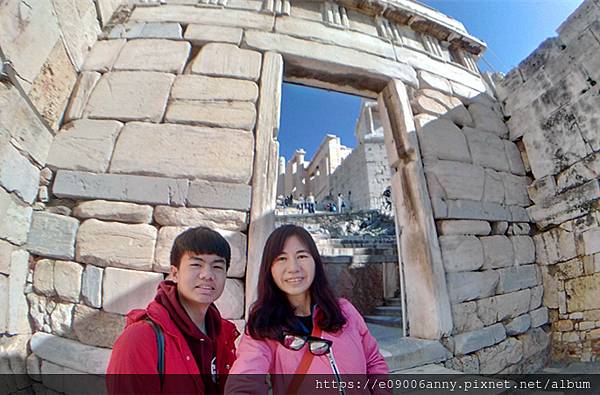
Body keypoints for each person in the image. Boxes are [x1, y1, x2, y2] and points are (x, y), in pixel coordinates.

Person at [226, 225, 388, 394]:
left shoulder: (344, 311)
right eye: (281, 259)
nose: (293, 268)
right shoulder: (263, 326)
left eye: (302, 256)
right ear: (269, 269)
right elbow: (246, 376)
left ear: (315, 262)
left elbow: (374, 361)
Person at [106, 226, 240, 394]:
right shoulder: (140, 338)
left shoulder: (222, 335)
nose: (207, 274)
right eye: (196, 264)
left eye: (217, 267)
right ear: (175, 273)